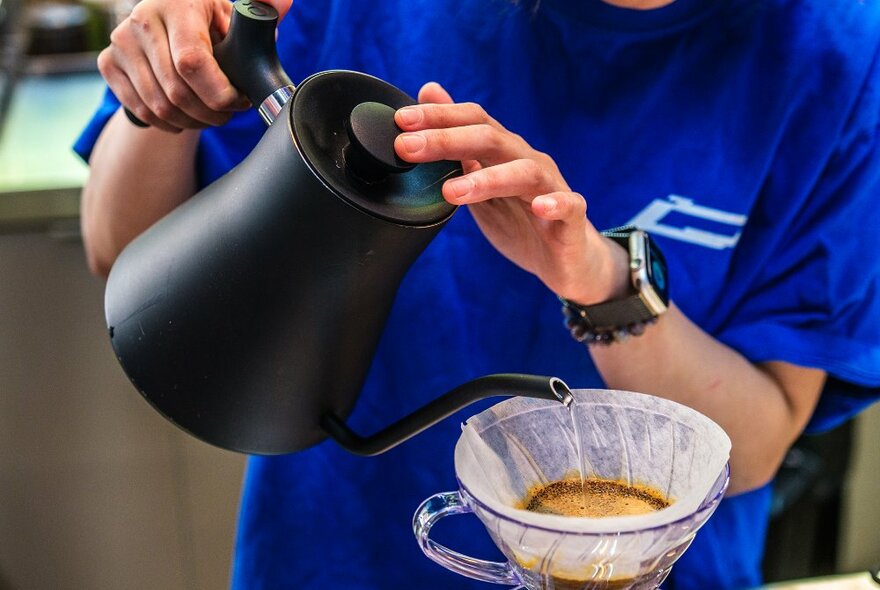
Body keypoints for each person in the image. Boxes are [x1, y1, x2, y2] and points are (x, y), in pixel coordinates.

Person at [75, 0, 880, 588]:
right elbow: (124, 252)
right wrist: (167, 92)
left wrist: (601, 283)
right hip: (338, 555)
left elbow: (756, 446)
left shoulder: (836, 55)